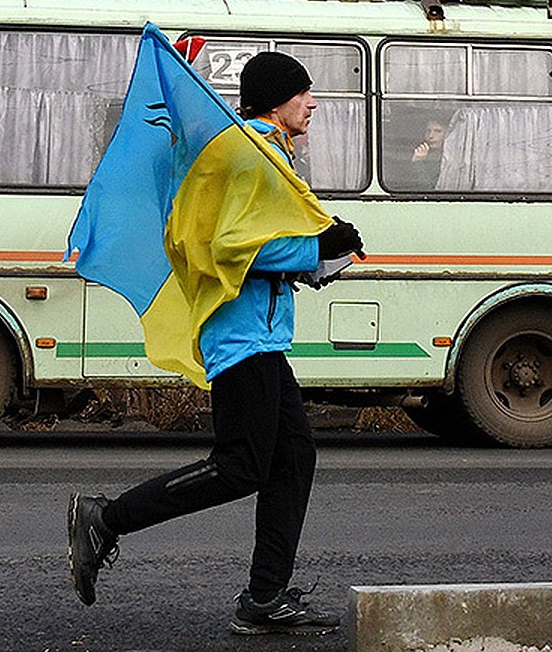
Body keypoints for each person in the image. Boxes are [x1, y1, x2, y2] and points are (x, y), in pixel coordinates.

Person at [67, 50, 364, 635]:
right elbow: (228, 247)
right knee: (241, 466)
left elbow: (259, 244)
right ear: (278, 100)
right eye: (304, 93)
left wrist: (322, 257)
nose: (313, 104)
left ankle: (264, 598)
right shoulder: (249, 155)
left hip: (262, 335)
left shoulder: (269, 155)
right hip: (241, 337)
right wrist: (313, 248)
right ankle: (106, 518)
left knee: (293, 458)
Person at [405, 116, 446, 190]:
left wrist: (418, 163)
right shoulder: (414, 154)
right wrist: (417, 162)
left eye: (438, 131)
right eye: (428, 131)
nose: (431, 136)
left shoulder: (450, 161)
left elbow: (429, 190)